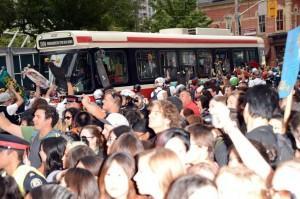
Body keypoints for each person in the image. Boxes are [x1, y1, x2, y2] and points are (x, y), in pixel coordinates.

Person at [0, 104, 61, 169]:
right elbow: (8, 126)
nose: (34, 119)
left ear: (49, 120)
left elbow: (47, 167)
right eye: (34, 116)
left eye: (38, 117)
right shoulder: (34, 131)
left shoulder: (55, 139)